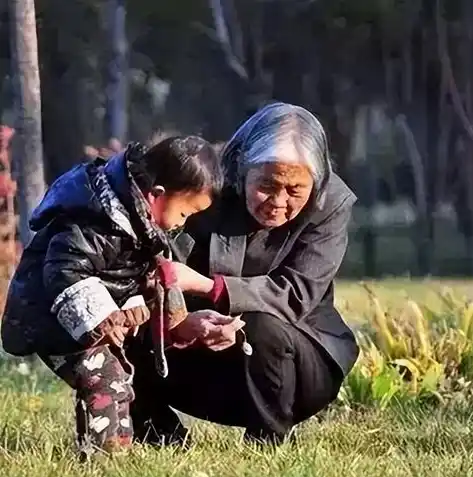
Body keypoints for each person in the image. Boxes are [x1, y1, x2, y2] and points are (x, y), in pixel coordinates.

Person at [127, 102, 360, 445]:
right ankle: (158, 433)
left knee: (261, 323)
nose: (278, 202)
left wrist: (211, 288)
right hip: (193, 349)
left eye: (295, 190)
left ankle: (267, 440)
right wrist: (182, 319)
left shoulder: (332, 202)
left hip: (295, 367)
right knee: (118, 318)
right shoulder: (200, 180)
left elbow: (296, 295)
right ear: (241, 168)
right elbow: (151, 261)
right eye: (266, 185)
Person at [0, 137, 243, 455]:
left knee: (120, 380)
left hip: (88, 325)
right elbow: (63, 270)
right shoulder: (96, 222)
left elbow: (134, 278)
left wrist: (169, 316)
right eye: (184, 213)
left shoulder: (140, 227)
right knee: (104, 380)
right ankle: (103, 454)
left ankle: (127, 443)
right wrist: (101, 317)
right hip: (54, 322)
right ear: (156, 196)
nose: (183, 224)